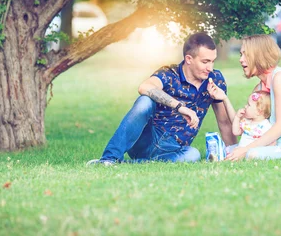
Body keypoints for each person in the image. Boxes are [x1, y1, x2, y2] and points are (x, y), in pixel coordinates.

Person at [87, 32, 234, 165]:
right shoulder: (169, 74)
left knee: (193, 155)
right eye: (205, 61)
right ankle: (108, 159)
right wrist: (180, 107)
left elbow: (224, 122)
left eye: (212, 61)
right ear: (189, 59)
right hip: (146, 139)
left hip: (174, 148)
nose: (210, 67)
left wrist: (233, 152)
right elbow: (144, 87)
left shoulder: (215, 80)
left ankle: (129, 164)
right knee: (145, 101)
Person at [215, 34, 281, 161]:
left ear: (259, 56)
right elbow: (244, 123)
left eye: (246, 55)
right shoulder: (259, 89)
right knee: (230, 152)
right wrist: (224, 98)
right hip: (276, 145)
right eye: (240, 55)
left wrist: (245, 150)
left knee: (252, 154)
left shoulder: (280, 79)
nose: (241, 60)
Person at [207, 88, 275, 155]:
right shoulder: (247, 122)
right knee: (227, 149)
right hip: (240, 149)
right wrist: (237, 117)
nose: (245, 106)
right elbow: (236, 132)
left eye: (249, 105)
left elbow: (271, 141)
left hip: (251, 152)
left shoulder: (266, 126)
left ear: (259, 111)